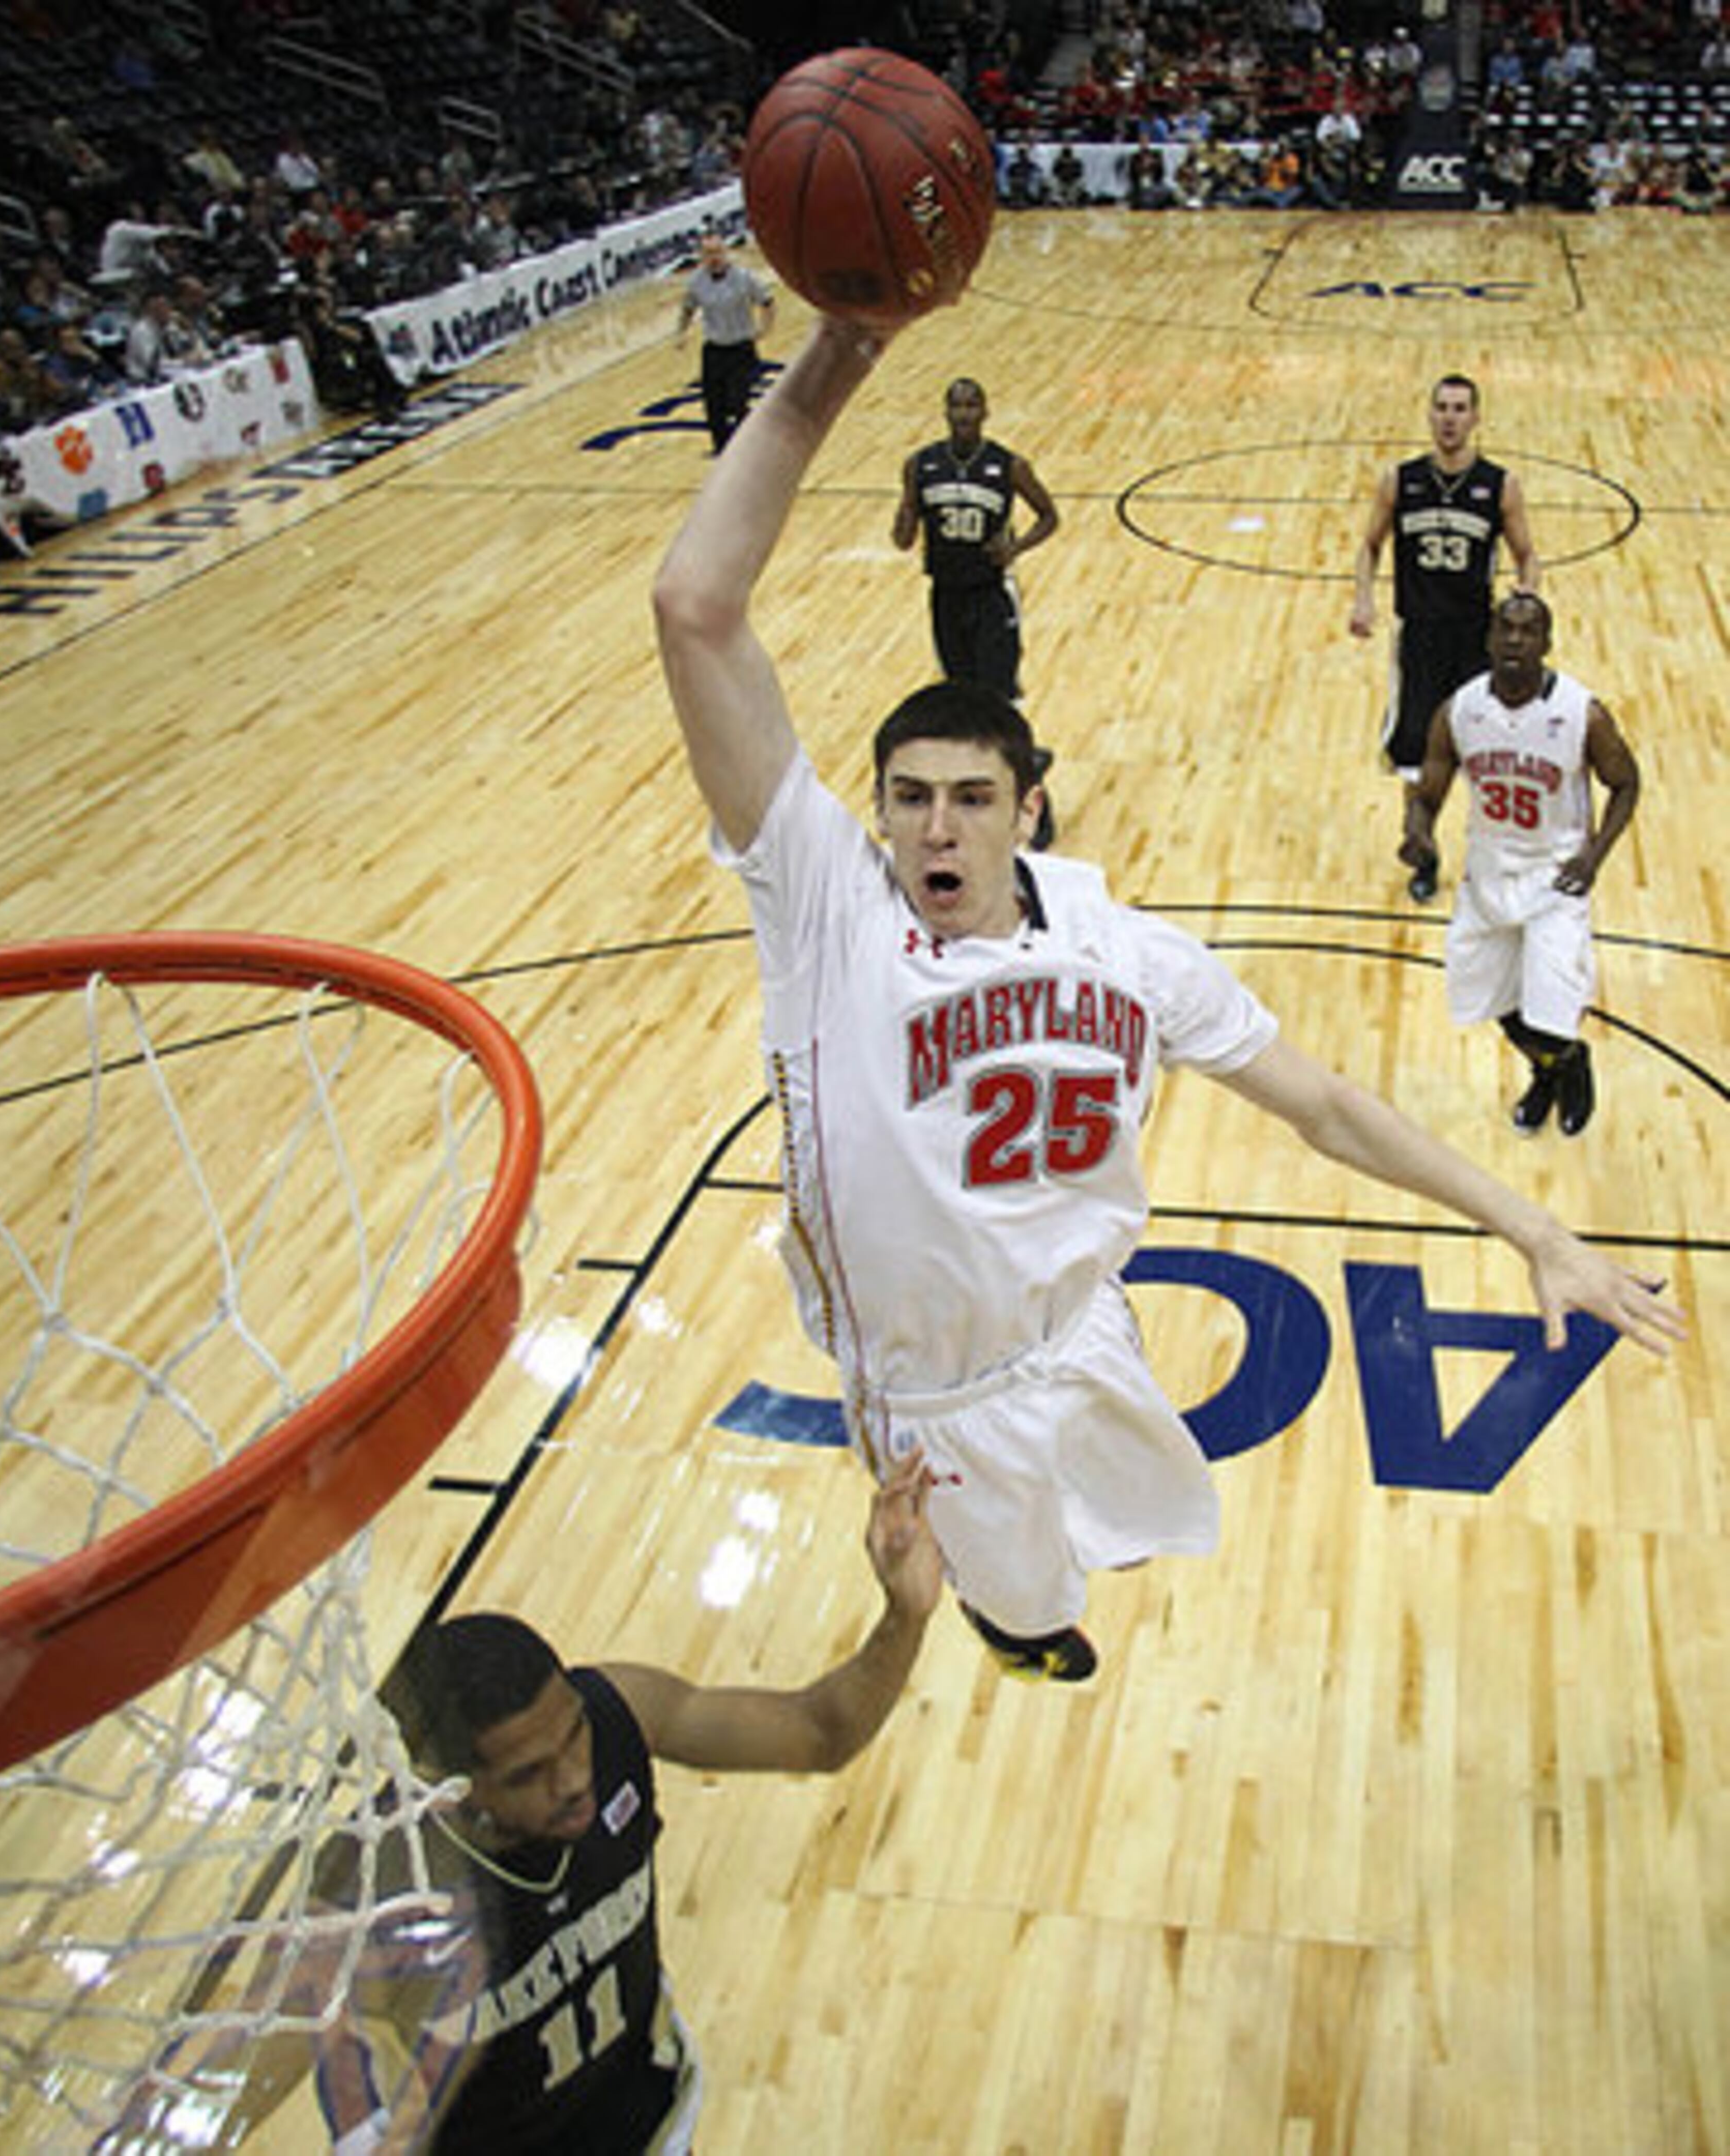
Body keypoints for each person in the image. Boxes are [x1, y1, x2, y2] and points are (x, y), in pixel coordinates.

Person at [651, 318, 1684, 1687]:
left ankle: (1056, 1534)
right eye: (908, 801)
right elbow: (694, 609)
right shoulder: (826, 906)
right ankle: (1007, 1619)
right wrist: (849, 342)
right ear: (876, 815)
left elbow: (1325, 1103)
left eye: (972, 800)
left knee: (1138, 1524)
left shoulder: (1127, 948)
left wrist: (1531, 1223)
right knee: (1026, 1605)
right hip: (932, 1390)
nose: (937, 833)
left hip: (1086, 1326)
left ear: (1030, 808)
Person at [106, 1456, 943, 2152]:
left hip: (652, 2118)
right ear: (450, 1788)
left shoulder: (619, 1711)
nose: (575, 1774)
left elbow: (821, 1729)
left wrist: (904, 1612)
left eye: (572, 1736)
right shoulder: (380, 1884)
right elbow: (245, 2068)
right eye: (530, 1771)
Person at [1399, 592, 1637, 1137]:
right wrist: (1419, 833)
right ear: (1488, 639)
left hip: (1555, 879)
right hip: (1488, 873)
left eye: (1528, 632)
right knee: (1497, 1004)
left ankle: (1568, 1064)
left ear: (1547, 644)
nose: (1514, 640)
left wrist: (1593, 856)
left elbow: (1626, 784)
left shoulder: (1582, 713)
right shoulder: (1460, 709)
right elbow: (1428, 790)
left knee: (1550, 1011)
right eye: (1505, 629)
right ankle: (1550, 1072)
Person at [1350, 373, 1542, 903]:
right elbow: (1369, 545)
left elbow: (1529, 555)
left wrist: (1526, 598)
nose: (1450, 417)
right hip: (1420, 639)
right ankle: (1424, 852)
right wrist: (1363, 598)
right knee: (1417, 757)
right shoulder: (1400, 480)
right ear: (1429, 415)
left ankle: (1495, 862)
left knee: (1490, 756)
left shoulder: (1500, 484)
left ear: (1476, 417)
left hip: (1476, 641)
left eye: (1460, 408)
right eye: (1442, 408)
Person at [891, 376, 1059, 705]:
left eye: (972, 405)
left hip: (991, 591)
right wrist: (907, 513)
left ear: (985, 413)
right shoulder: (920, 465)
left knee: (1001, 688)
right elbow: (903, 539)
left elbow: (1049, 517)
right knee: (959, 689)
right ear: (946, 413)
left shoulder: (1009, 465)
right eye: (957, 406)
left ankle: (1017, 751)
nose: (964, 414)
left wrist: (1015, 548)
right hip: (945, 591)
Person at [675, 234, 773, 455]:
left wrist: (764, 328)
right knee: (713, 404)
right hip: (714, 349)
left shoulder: (744, 277)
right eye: (708, 254)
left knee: (738, 401)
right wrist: (681, 333)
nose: (714, 258)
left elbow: (767, 302)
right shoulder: (696, 281)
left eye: (717, 253)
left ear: (725, 253)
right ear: (702, 257)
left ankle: (750, 445)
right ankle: (722, 449)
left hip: (741, 348)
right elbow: (688, 308)